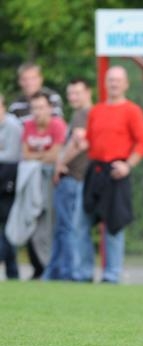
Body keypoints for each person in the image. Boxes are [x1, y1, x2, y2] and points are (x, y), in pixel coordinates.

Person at [82, 66, 143, 283]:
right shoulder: (96, 110)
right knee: (83, 221)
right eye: (110, 80)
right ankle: (82, 273)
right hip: (95, 170)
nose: (114, 84)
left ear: (125, 84)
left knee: (114, 224)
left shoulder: (132, 110)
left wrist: (127, 165)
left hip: (117, 171)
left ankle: (112, 274)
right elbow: (90, 142)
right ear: (105, 83)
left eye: (118, 80)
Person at [8, 63, 64, 279]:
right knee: (31, 220)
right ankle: (39, 268)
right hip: (28, 176)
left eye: (32, 78)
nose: (38, 111)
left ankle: (51, 267)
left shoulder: (55, 109)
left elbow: (54, 153)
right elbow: (24, 152)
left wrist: (38, 156)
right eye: (24, 79)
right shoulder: (21, 114)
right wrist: (41, 156)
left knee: (48, 224)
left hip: (51, 177)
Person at [42, 78, 94, 281]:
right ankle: (61, 271)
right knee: (73, 226)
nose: (73, 97)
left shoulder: (83, 113)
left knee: (67, 227)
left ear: (88, 92)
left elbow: (80, 142)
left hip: (73, 176)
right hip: (81, 177)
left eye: (77, 93)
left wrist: (60, 163)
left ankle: (69, 272)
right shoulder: (89, 113)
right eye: (70, 93)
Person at [0, 93, 22, 280]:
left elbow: (12, 155)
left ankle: (12, 270)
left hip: (8, 177)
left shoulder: (13, 126)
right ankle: (12, 272)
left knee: (8, 226)